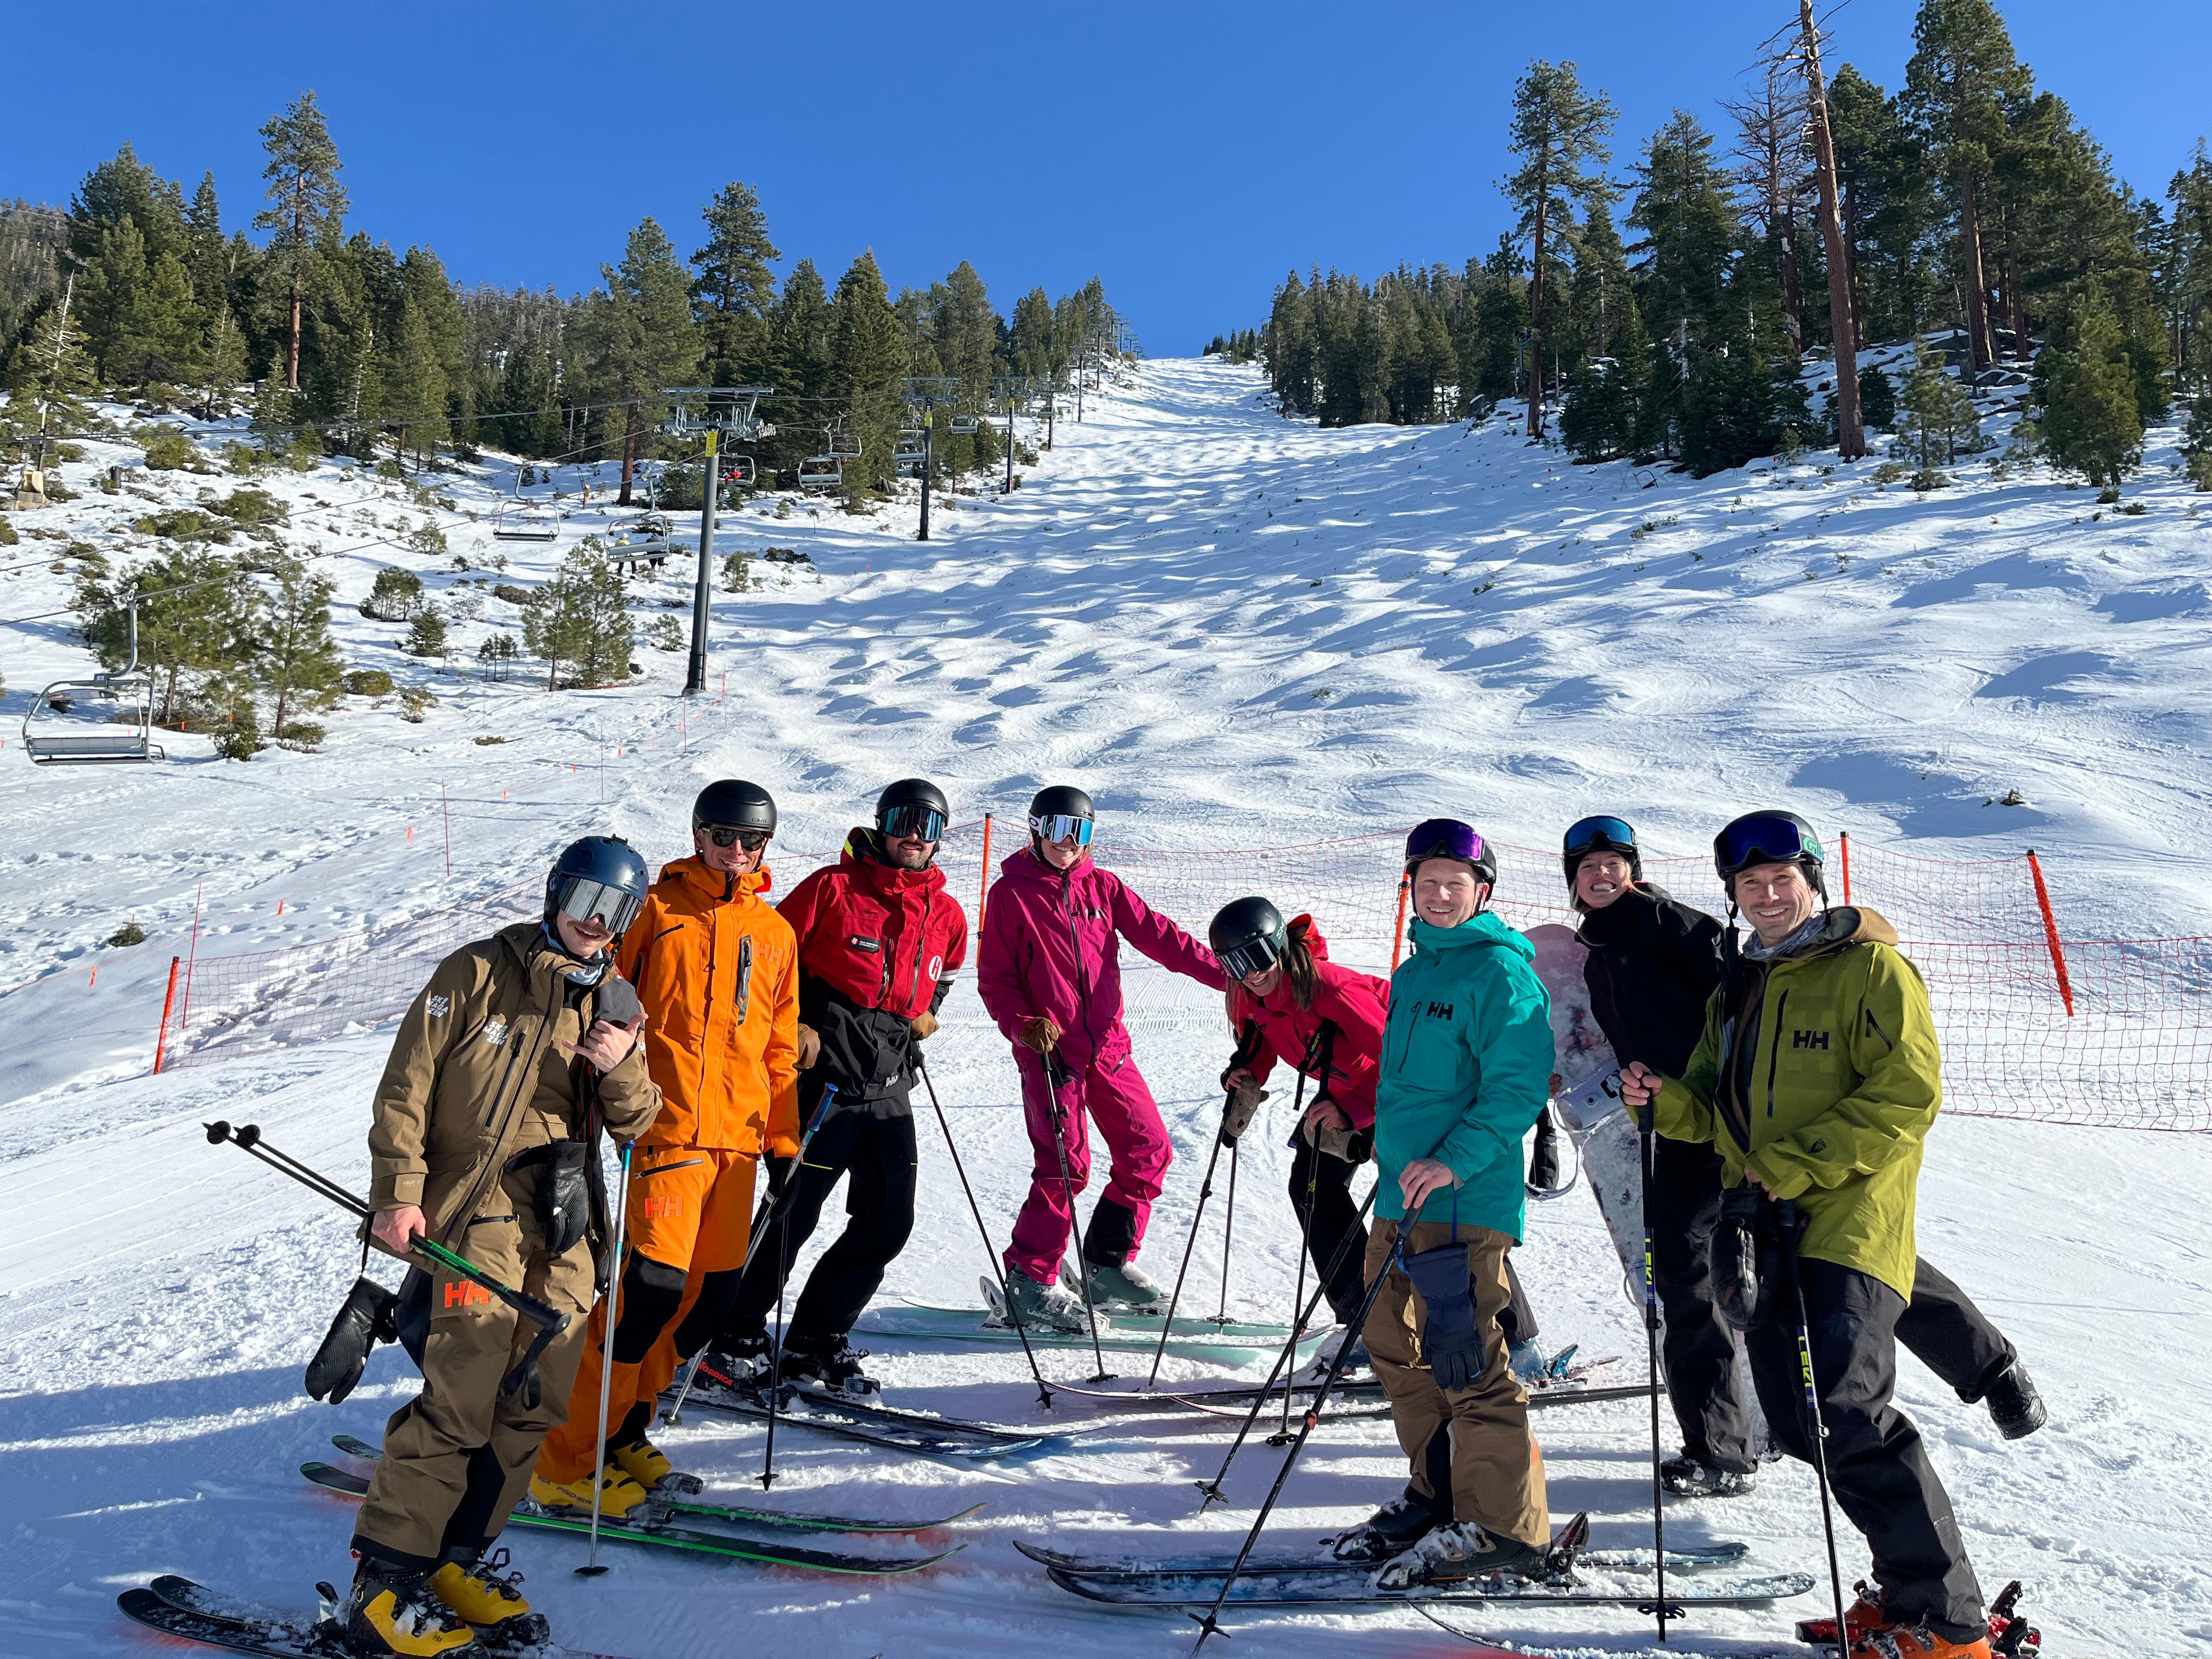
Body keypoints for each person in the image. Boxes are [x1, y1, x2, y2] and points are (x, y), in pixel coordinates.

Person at [1566, 814, 2042, 1501]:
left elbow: (1757, 1007)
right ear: (1573, 885)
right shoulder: (1600, 947)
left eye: (1613, 863)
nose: (1602, 876)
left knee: (1802, 1262)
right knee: (1791, 1261)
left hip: (1753, 1130)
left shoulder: (1679, 927)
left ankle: (1723, 1448)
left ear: (1634, 869)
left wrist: (1749, 1114)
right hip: (1690, 1122)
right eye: (1587, 870)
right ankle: (1982, 1364)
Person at [1621, 810, 1992, 1659]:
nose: (1767, 893)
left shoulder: (1872, 968)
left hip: (1849, 1223)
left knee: (1846, 1413)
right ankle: (1904, 1596)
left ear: (1814, 881)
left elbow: (1908, 1094)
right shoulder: (1740, 986)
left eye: (1782, 877)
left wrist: (1793, 1162)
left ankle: (1949, 1620)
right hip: (1765, 1225)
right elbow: (1713, 1106)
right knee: (1795, 1423)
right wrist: (1662, 1099)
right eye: (1750, 885)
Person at [345, 837, 659, 1657]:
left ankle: (455, 1563)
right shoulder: (477, 973)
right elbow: (405, 1088)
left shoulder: (618, 1003)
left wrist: (621, 1065)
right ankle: (386, 1581)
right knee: (462, 1393)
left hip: (565, 1225)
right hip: (471, 1218)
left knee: (535, 1402)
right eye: (588, 899)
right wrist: (398, 1196)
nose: (597, 922)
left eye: (618, 910)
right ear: (556, 892)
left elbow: (640, 1121)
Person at [530, 783, 798, 1514]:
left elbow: (779, 1041)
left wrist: (781, 1135)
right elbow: (598, 984)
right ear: (698, 835)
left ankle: (622, 1432)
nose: (737, 853)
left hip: (737, 1146)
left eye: (751, 842)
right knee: (646, 1296)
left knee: (707, 1304)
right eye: (723, 837)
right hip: (666, 1130)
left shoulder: (775, 933)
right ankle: (560, 1456)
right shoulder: (656, 909)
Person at [1333, 819, 1554, 1588]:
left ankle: (1504, 1527)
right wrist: (1355, 1118)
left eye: (1454, 885)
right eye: (1426, 883)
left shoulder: (1500, 973)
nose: (1438, 895)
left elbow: (1518, 1086)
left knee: (1468, 1361)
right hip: (1400, 1197)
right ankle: (1439, 1497)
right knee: (1396, 1349)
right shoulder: (1418, 971)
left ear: (1481, 892)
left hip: (1463, 1200)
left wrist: (1452, 1160)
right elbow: (1407, 1085)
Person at [712, 777, 968, 1396]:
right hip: (821, 1078)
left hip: (888, 1083)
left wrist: (927, 1010)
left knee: (888, 1220)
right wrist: (793, 1025)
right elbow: (767, 956)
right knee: (792, 1212)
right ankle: (734, 1332)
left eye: (928, 825)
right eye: (904, 820)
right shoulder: (832, 888)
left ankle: (814, 1340)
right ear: (881, 824)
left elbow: (947, 970)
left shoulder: (948, 911)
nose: (914, 835)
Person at [977, 784, 1226, 1328]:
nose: (1069, 843)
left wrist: (1233, 979)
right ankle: (1029, 1279)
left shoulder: (1104, 887)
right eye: (1058, 830)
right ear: (1036, 829)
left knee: (1149, 1150)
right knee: (1066, 1167)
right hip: (1051, 1054)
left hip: (1109, 1050)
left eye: (1081, 831)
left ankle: (1107, 1266)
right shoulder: (1011, 895)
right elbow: (995, 979)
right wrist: (1024, 1026)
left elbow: (1165, 940)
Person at [1211, 896, 1390, 1371]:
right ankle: (1363, 1316)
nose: (1251, 973)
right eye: (1235, 963)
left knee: (1422, 1208)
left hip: (1399, 1096)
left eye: (1258, 956)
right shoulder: (1252, 996)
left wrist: (1354, 1108)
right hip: (1342, 1095)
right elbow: (1261, 1041)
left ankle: (1504, 1333)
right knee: (1312, 1190)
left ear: (1279, 945)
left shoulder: (1329, 988)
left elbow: (1402, 1059)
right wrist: (1246, 1072)